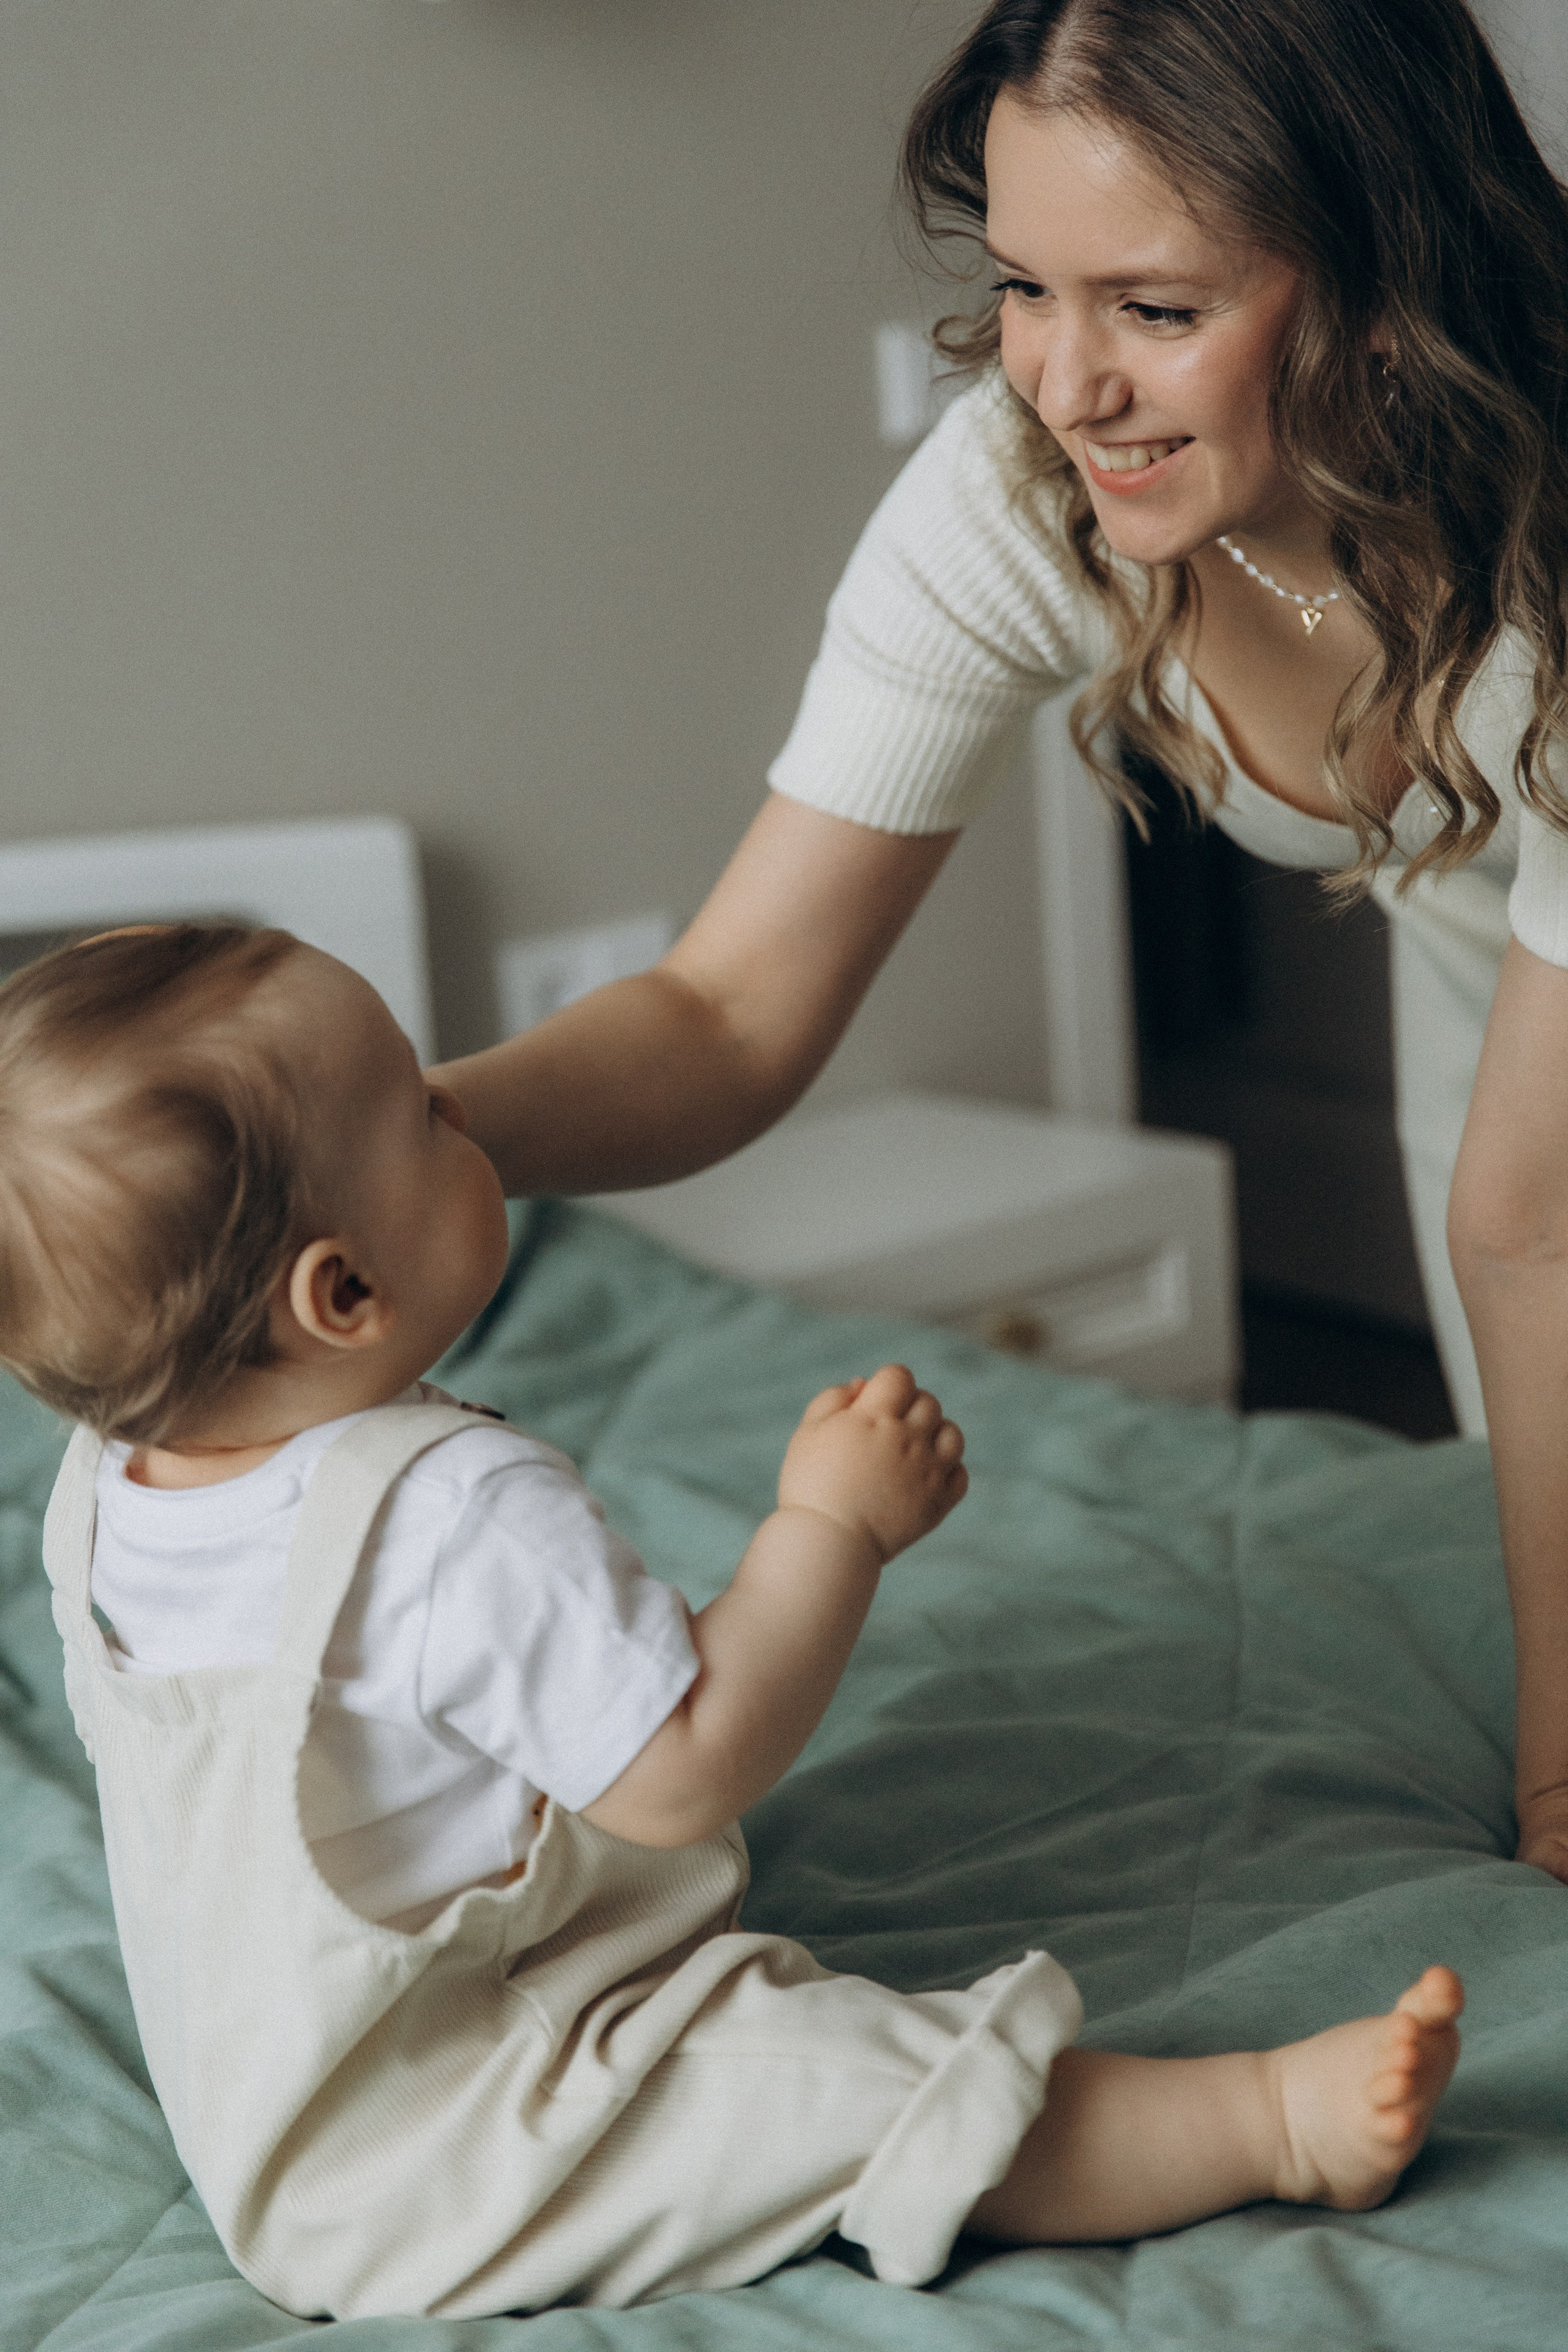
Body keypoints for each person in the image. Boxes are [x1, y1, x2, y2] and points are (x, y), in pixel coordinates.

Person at [428, 0, 1568, 1888]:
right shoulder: (1026, 501)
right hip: (1486, 945)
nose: (1063, 382)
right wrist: (385, 1134)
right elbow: (726, 1012)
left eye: (1157, 308)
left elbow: (1535, 1219)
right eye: (1029, 287)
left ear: (1387, 281)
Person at [9, 922, 1460, 2318]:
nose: (467, 1105)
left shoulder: (107, 1493)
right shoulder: (447, 1514)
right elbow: (688, 1763)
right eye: (420, 1109)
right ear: (344, 1293)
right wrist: (831, 1529)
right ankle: (1264, 2121)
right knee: (862, 2090)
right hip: (469, 2134)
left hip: (279, 2103)